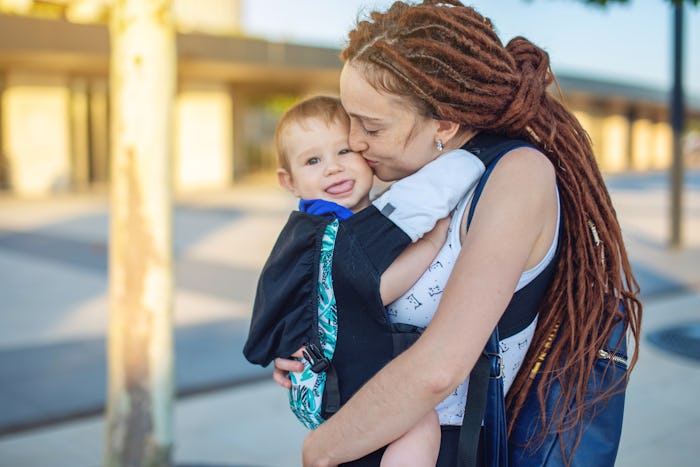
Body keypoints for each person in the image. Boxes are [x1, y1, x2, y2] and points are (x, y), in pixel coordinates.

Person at [271, 2, 643, 466]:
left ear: (444, 124)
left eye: (371, 126)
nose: (356, 141)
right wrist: (314, 345)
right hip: (372, 436)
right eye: (350, 119)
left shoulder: (517, 175)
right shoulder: (415, 176)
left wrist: (319, 450)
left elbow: (439, 368)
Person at [243, 95, 488, 466]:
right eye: (313, 160)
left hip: (341, 373)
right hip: (343, 379)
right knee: (418, 420)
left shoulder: (345, 221)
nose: (333, 169)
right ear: (288, 181)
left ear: (366, 152)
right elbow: (375, 287)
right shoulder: (326, 227)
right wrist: (433, 242)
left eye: (344, 151)